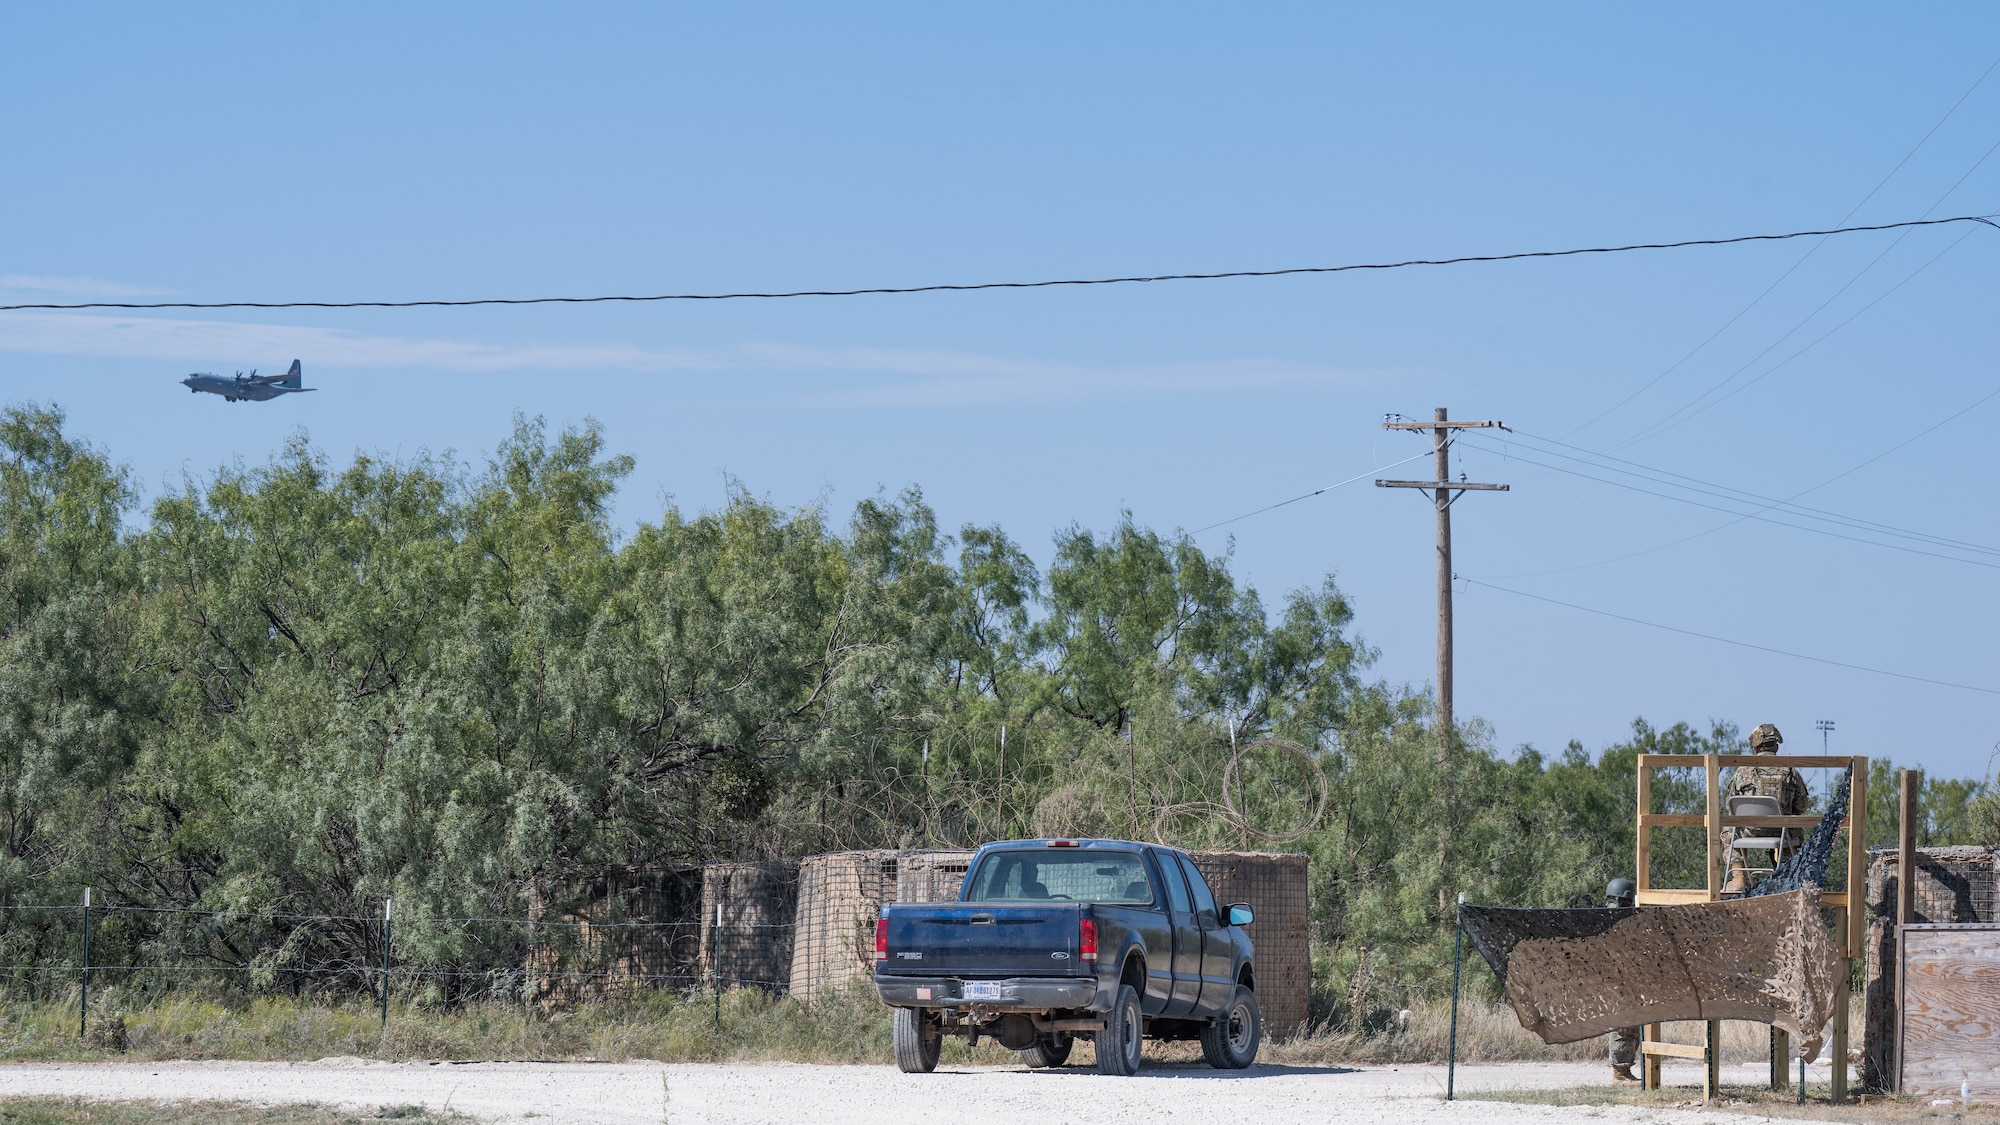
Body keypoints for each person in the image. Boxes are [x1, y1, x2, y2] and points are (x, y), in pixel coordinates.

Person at [1724, 723, 1809, 894]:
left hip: (1749, 832)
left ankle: (1738, 877)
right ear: (1776, 746)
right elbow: (1801, 807)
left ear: (1756, 748)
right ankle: (1786, 877)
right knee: (1795, 828)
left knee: (1728, 829)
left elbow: (1730, 806)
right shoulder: (1790, 771)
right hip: (1781, 832)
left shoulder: (1742, 771)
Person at [1605, 877, 1641, 1084]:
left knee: (1630, 1025)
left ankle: (1623, 1070)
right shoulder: (1613, 920)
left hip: (1625, 980)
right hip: (1618, 982)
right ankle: (1619, 1073)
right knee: (1623, 1027)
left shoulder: (1616, 919)